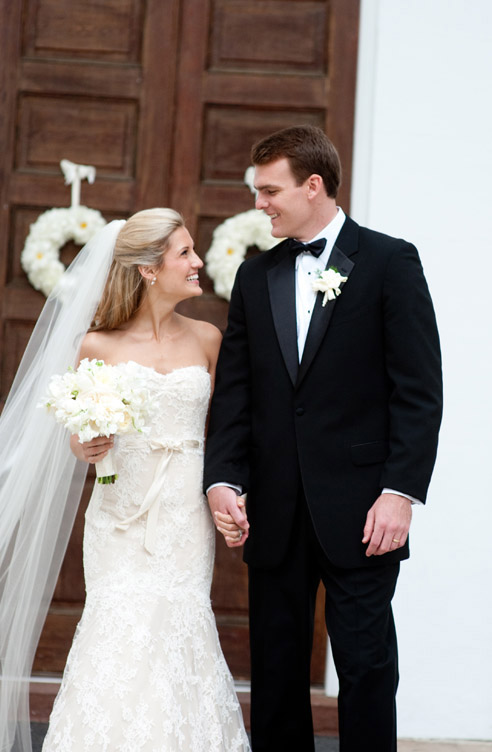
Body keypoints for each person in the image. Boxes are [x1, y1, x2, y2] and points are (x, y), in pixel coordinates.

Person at [204, 125, 443, 752]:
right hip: (275, 510)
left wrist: (400, 492)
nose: (260, 204)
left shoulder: (391, 261)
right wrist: (223, 477)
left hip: (364, 508)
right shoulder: (256, 277)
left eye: (269, 190)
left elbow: (419, 391)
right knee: (277, 671)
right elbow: (235, 392)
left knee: (366, 667)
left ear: (314, 186)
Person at [0, 209, 250, 752]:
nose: (197, 261)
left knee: (180, 628)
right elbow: (75, 431)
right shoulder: (96, 346)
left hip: (182, 514)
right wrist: (83, 444)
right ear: (149, 270)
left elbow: (229, 432)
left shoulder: (209, 338)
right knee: (116, 634)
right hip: (118, 515)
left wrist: (232, 495)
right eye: (184, 252)